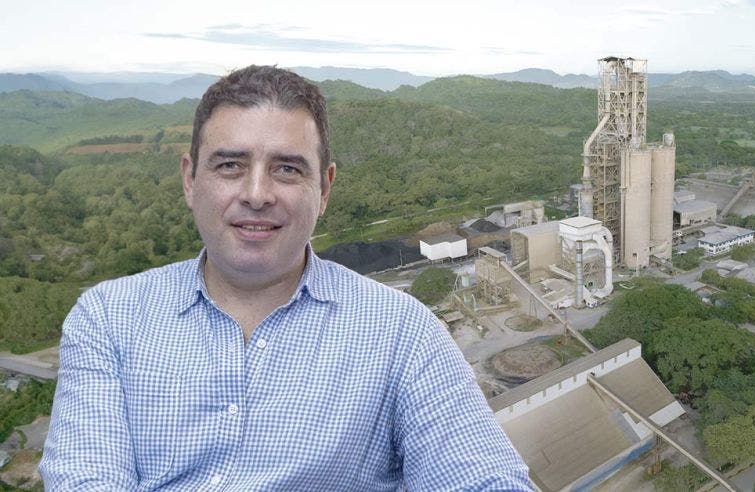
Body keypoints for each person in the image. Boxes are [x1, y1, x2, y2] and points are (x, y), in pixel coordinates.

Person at [40, 65, 532, 491]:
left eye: (287, 169)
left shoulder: (403, 334)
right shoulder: (109, 318)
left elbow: (482, 477)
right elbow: (87, 477)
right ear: (190, 180)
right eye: (230, 165)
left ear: (324, 188)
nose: (257, 194)